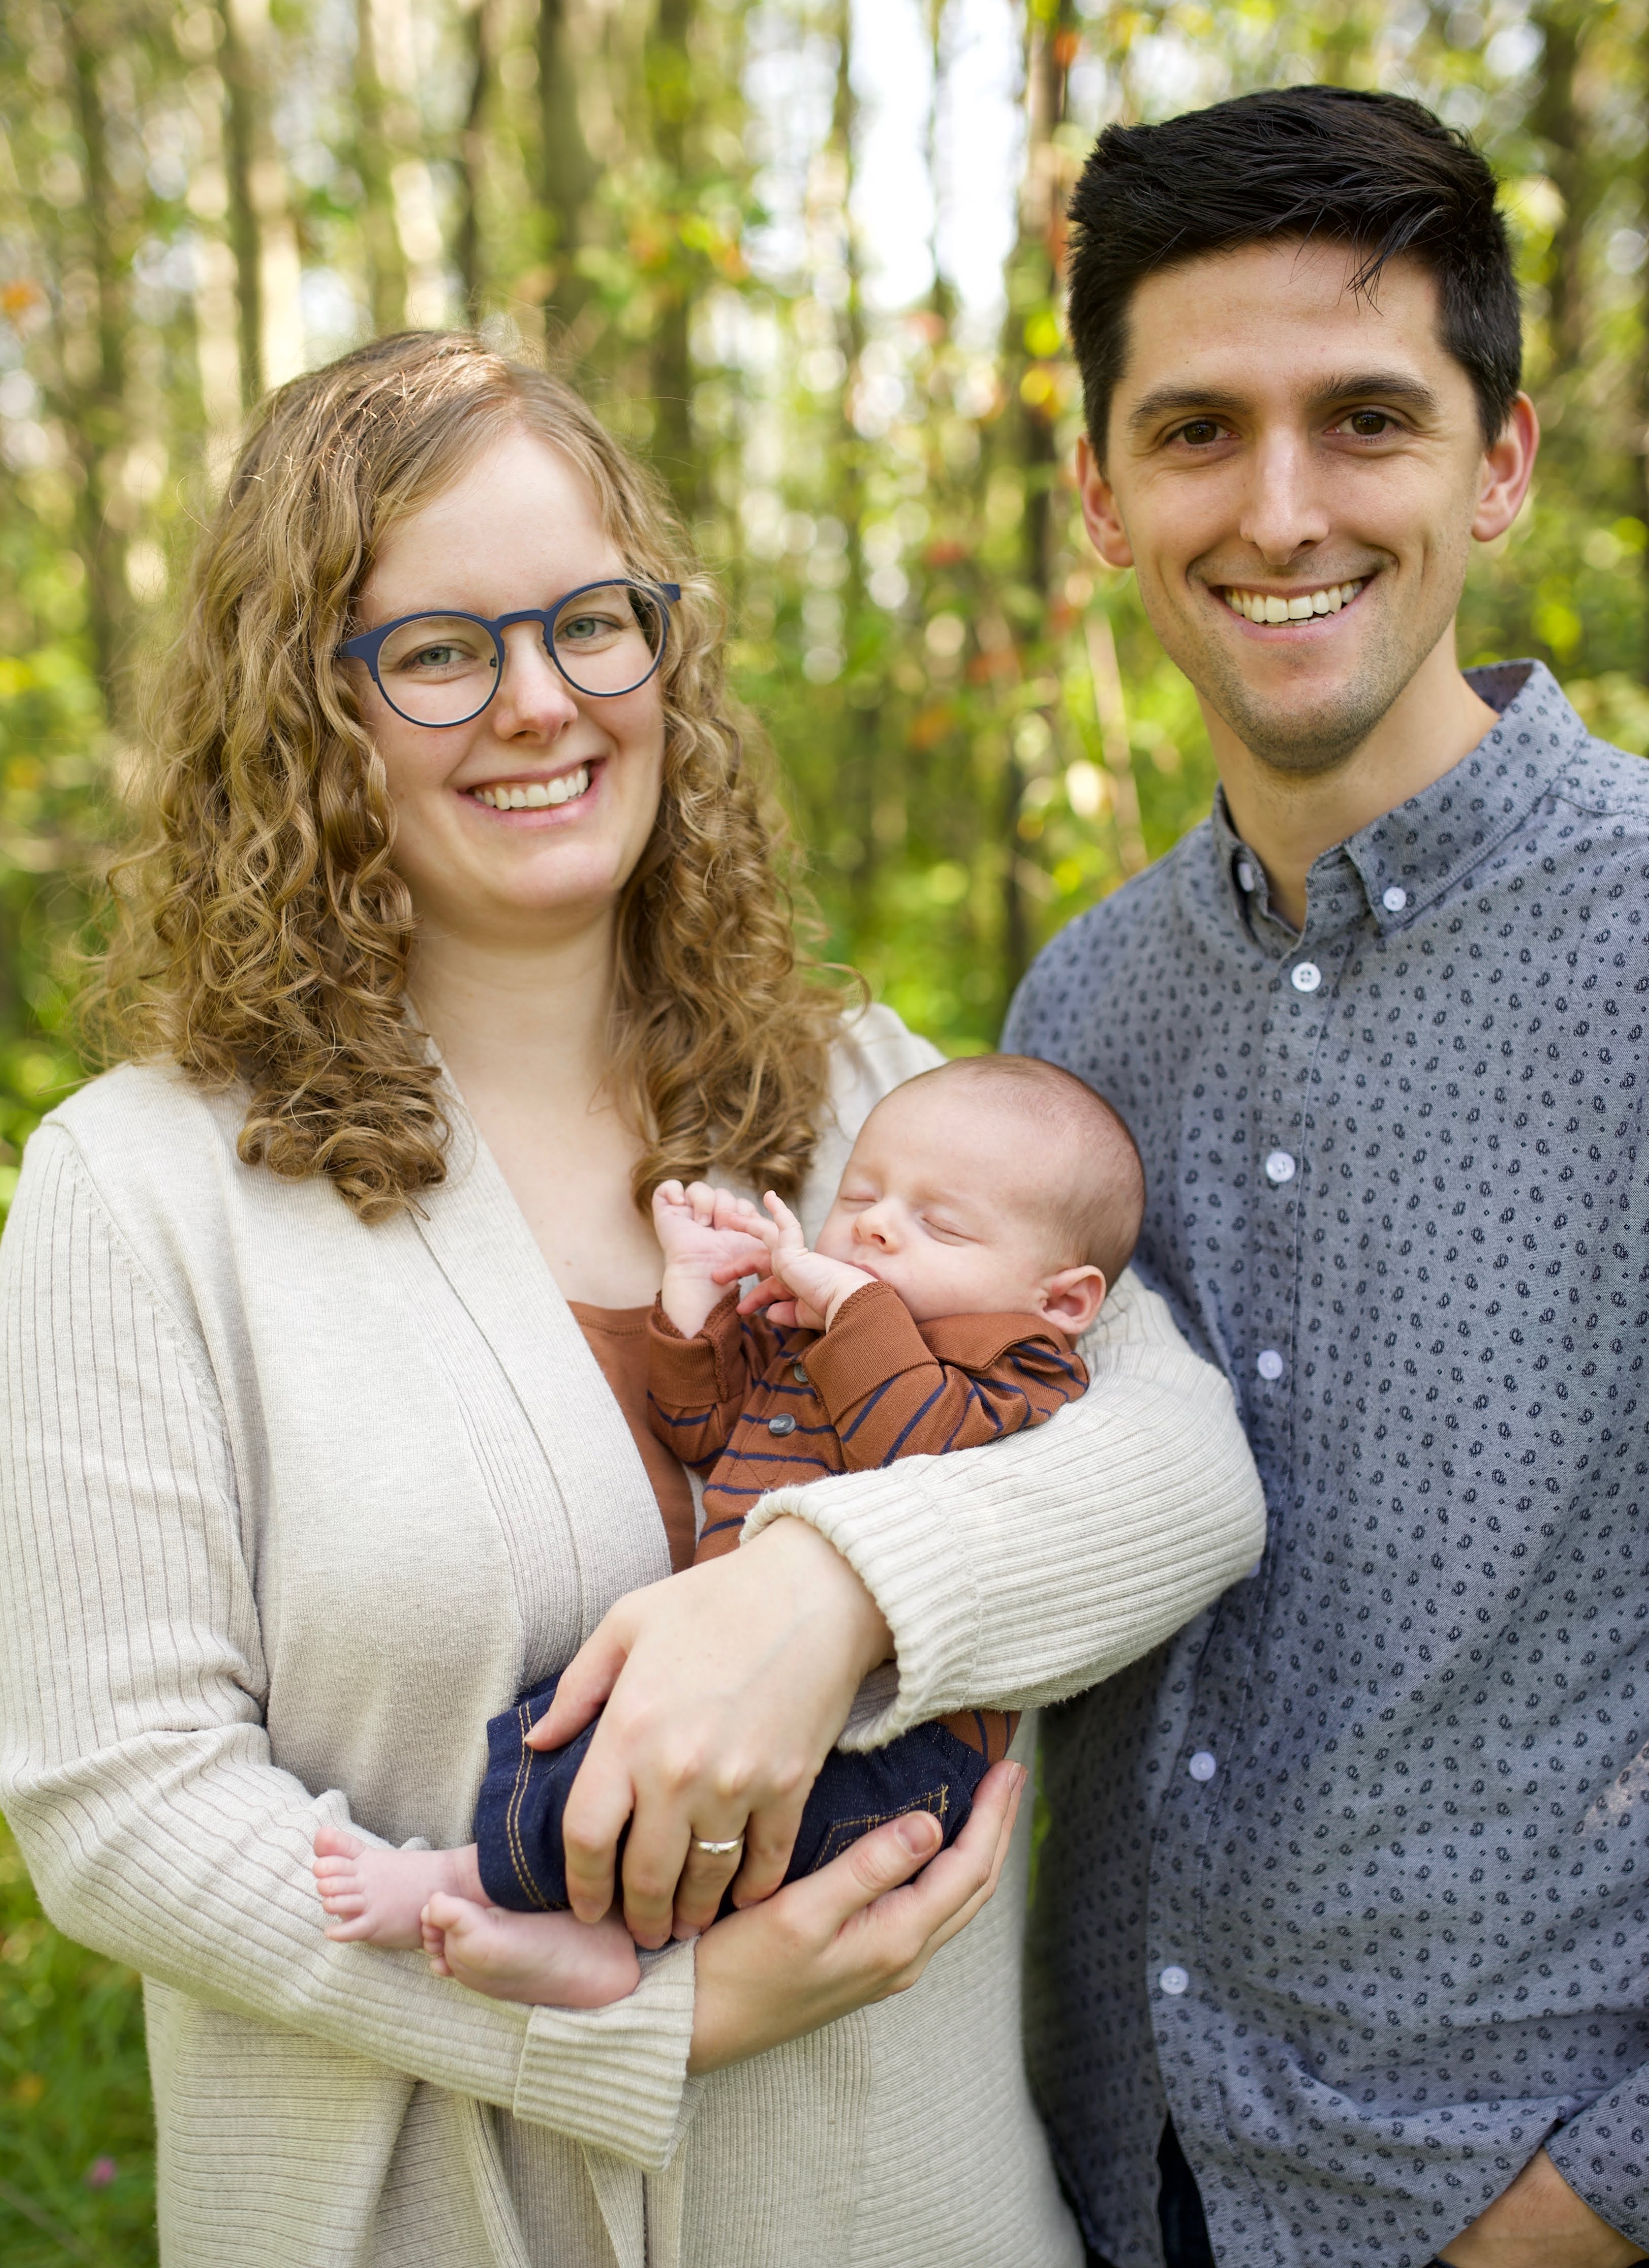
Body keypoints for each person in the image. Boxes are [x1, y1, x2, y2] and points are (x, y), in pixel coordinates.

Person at [0, 329, 1267, 2268]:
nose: (540, 702)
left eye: (591, 624)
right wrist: (627, 2024)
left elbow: (1180, 1466)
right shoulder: (142, 1185)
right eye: (439, 650)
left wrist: (829, 1596)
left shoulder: (862, 1101)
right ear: (308, 705)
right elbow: (119, 1804)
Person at [1008, 84, 1649, 2268]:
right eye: (1195, 431)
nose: (1278, 509)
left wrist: (1596, 2206)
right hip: (1115, 2192)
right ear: (1101, 494)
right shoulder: (1076, 1013)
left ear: (1500, 460)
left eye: (1363, 419)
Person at [313, 1053, 1140, 2009]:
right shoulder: (811, 1334)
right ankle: (590, 1934)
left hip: (896, 1749)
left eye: (939, 1224)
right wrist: (695, 1298)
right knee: (574, 1732)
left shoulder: (1020, 1363)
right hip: (730, 1695)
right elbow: (700, 1429)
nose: (873, 1225)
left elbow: (914, 1440)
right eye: (860, 1196)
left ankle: (485, 1888)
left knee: (728, 1803)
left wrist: (854, 1309)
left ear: (1062, 1300)